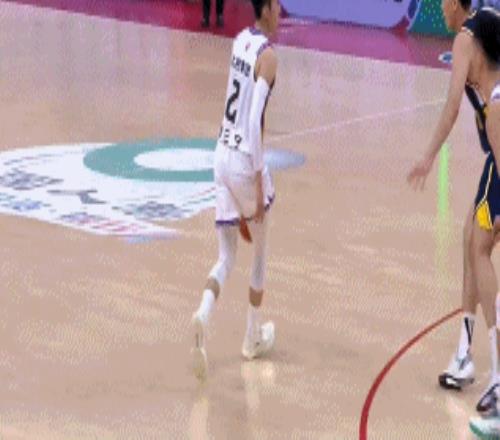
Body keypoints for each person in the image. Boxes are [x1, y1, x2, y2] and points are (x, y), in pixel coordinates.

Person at [407, 0, 500, 422]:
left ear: (455, 4)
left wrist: (428, 157)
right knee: (469, 237)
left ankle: (495, 369)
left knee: (478, 246)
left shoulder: (465, 39)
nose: (440, 7)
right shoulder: (487, 22)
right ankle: (464, 353)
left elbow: (450, 108)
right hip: (495, 151)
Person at [191, 0, 281, 381]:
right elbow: (254, 118)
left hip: (221, 155)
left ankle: (203, 312)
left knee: (226, 256)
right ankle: (251, 337)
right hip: (244, 160)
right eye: (278, 5)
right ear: (267, 8)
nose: (281, 12)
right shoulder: (268, 57)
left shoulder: (240, 40)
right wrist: (259, 183)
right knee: (260, 252)